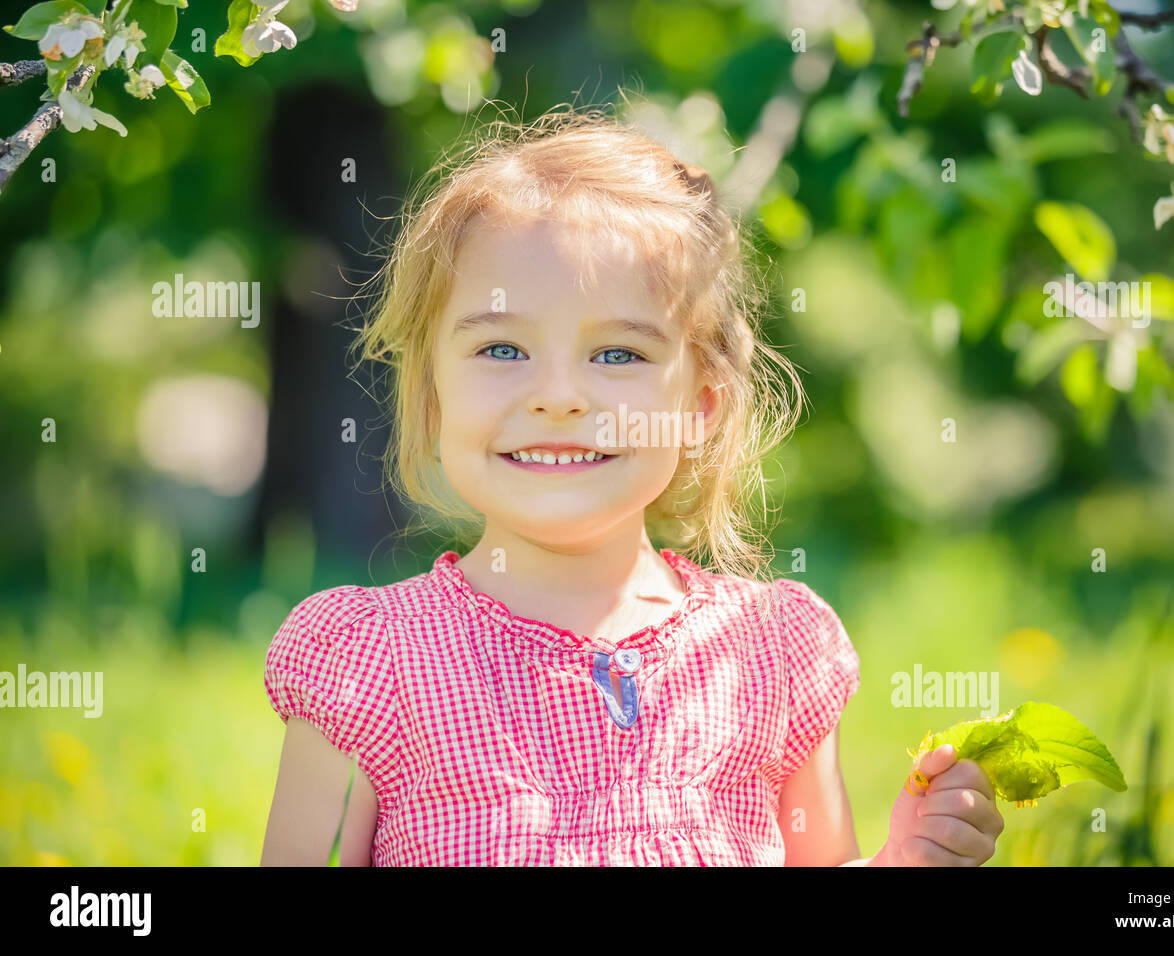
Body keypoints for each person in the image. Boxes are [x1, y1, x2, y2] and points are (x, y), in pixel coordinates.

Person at [259, 103, 1003, 866]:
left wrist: (905, 861)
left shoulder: (771, 655)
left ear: (701, 408)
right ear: (430, 397)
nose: (559, 396)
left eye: (617, 356)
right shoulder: (369, 663)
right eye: (502, 348)